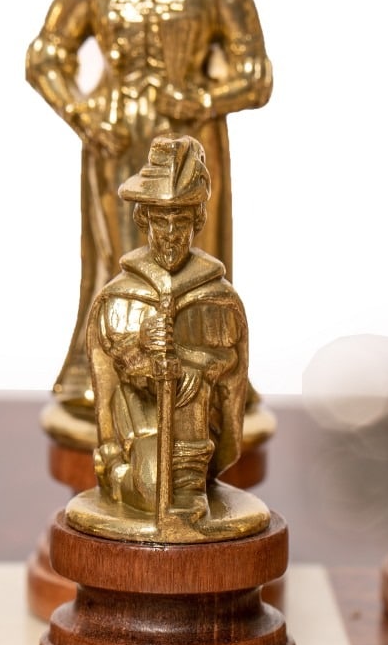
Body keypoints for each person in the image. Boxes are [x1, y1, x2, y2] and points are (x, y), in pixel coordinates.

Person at [26, 0, 271, 416]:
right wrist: (83, 116)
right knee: (120, 259)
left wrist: (205, 100)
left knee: (193, 262)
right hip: (117, 138)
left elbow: (256, 75)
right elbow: (45, 55)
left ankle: (203, 386)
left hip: (189, 141)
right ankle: (116, 381)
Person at [69, 134, 267, 543]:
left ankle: (187, 486)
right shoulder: (120, 298)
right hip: (140, 429)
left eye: (181, 221)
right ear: (143, 220)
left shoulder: (218, 299)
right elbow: (110, 378)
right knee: (151, 483)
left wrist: (194, 365)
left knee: (178, 481)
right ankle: (134, 481)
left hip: (197, 433)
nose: (171, 234)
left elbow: (231, 371)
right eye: (161, 220)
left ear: (198, 221)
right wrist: (143, 352)